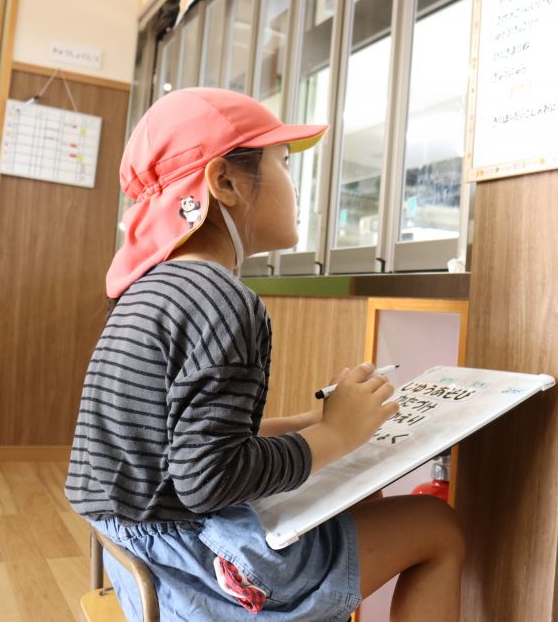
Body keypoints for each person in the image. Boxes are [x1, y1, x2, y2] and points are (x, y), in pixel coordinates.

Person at [65, 88, 464, 621]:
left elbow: (182, 445)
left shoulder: (151, 289)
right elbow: (210, 481)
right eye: (283, 164)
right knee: (437, 528)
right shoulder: (223, 302)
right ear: (224, 181)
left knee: (355, 496)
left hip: (139, 562)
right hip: (198, 573)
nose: (295, 186)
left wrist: (309, 422)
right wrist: (337, 435)